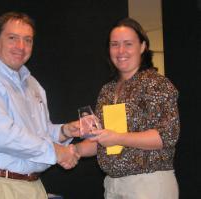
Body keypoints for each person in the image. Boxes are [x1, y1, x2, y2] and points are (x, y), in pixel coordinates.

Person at [0, 11, 80, 199]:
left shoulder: (33, 84)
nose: (21, 46)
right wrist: (57, 152)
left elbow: (40, 133)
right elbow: (1, 134)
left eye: (28, 40)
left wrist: (65, 132)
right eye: (12, 38)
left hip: (35, 186)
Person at [76, 18, 180, 199]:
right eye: (114, 44)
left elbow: (166, 136)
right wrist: (73, 151)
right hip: (113, 185)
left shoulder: (156, 84)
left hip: (149, 185)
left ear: (142, 47)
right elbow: (102, 141)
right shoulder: (108, 90)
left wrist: (118, 137)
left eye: (128, 44)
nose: (121, 51)